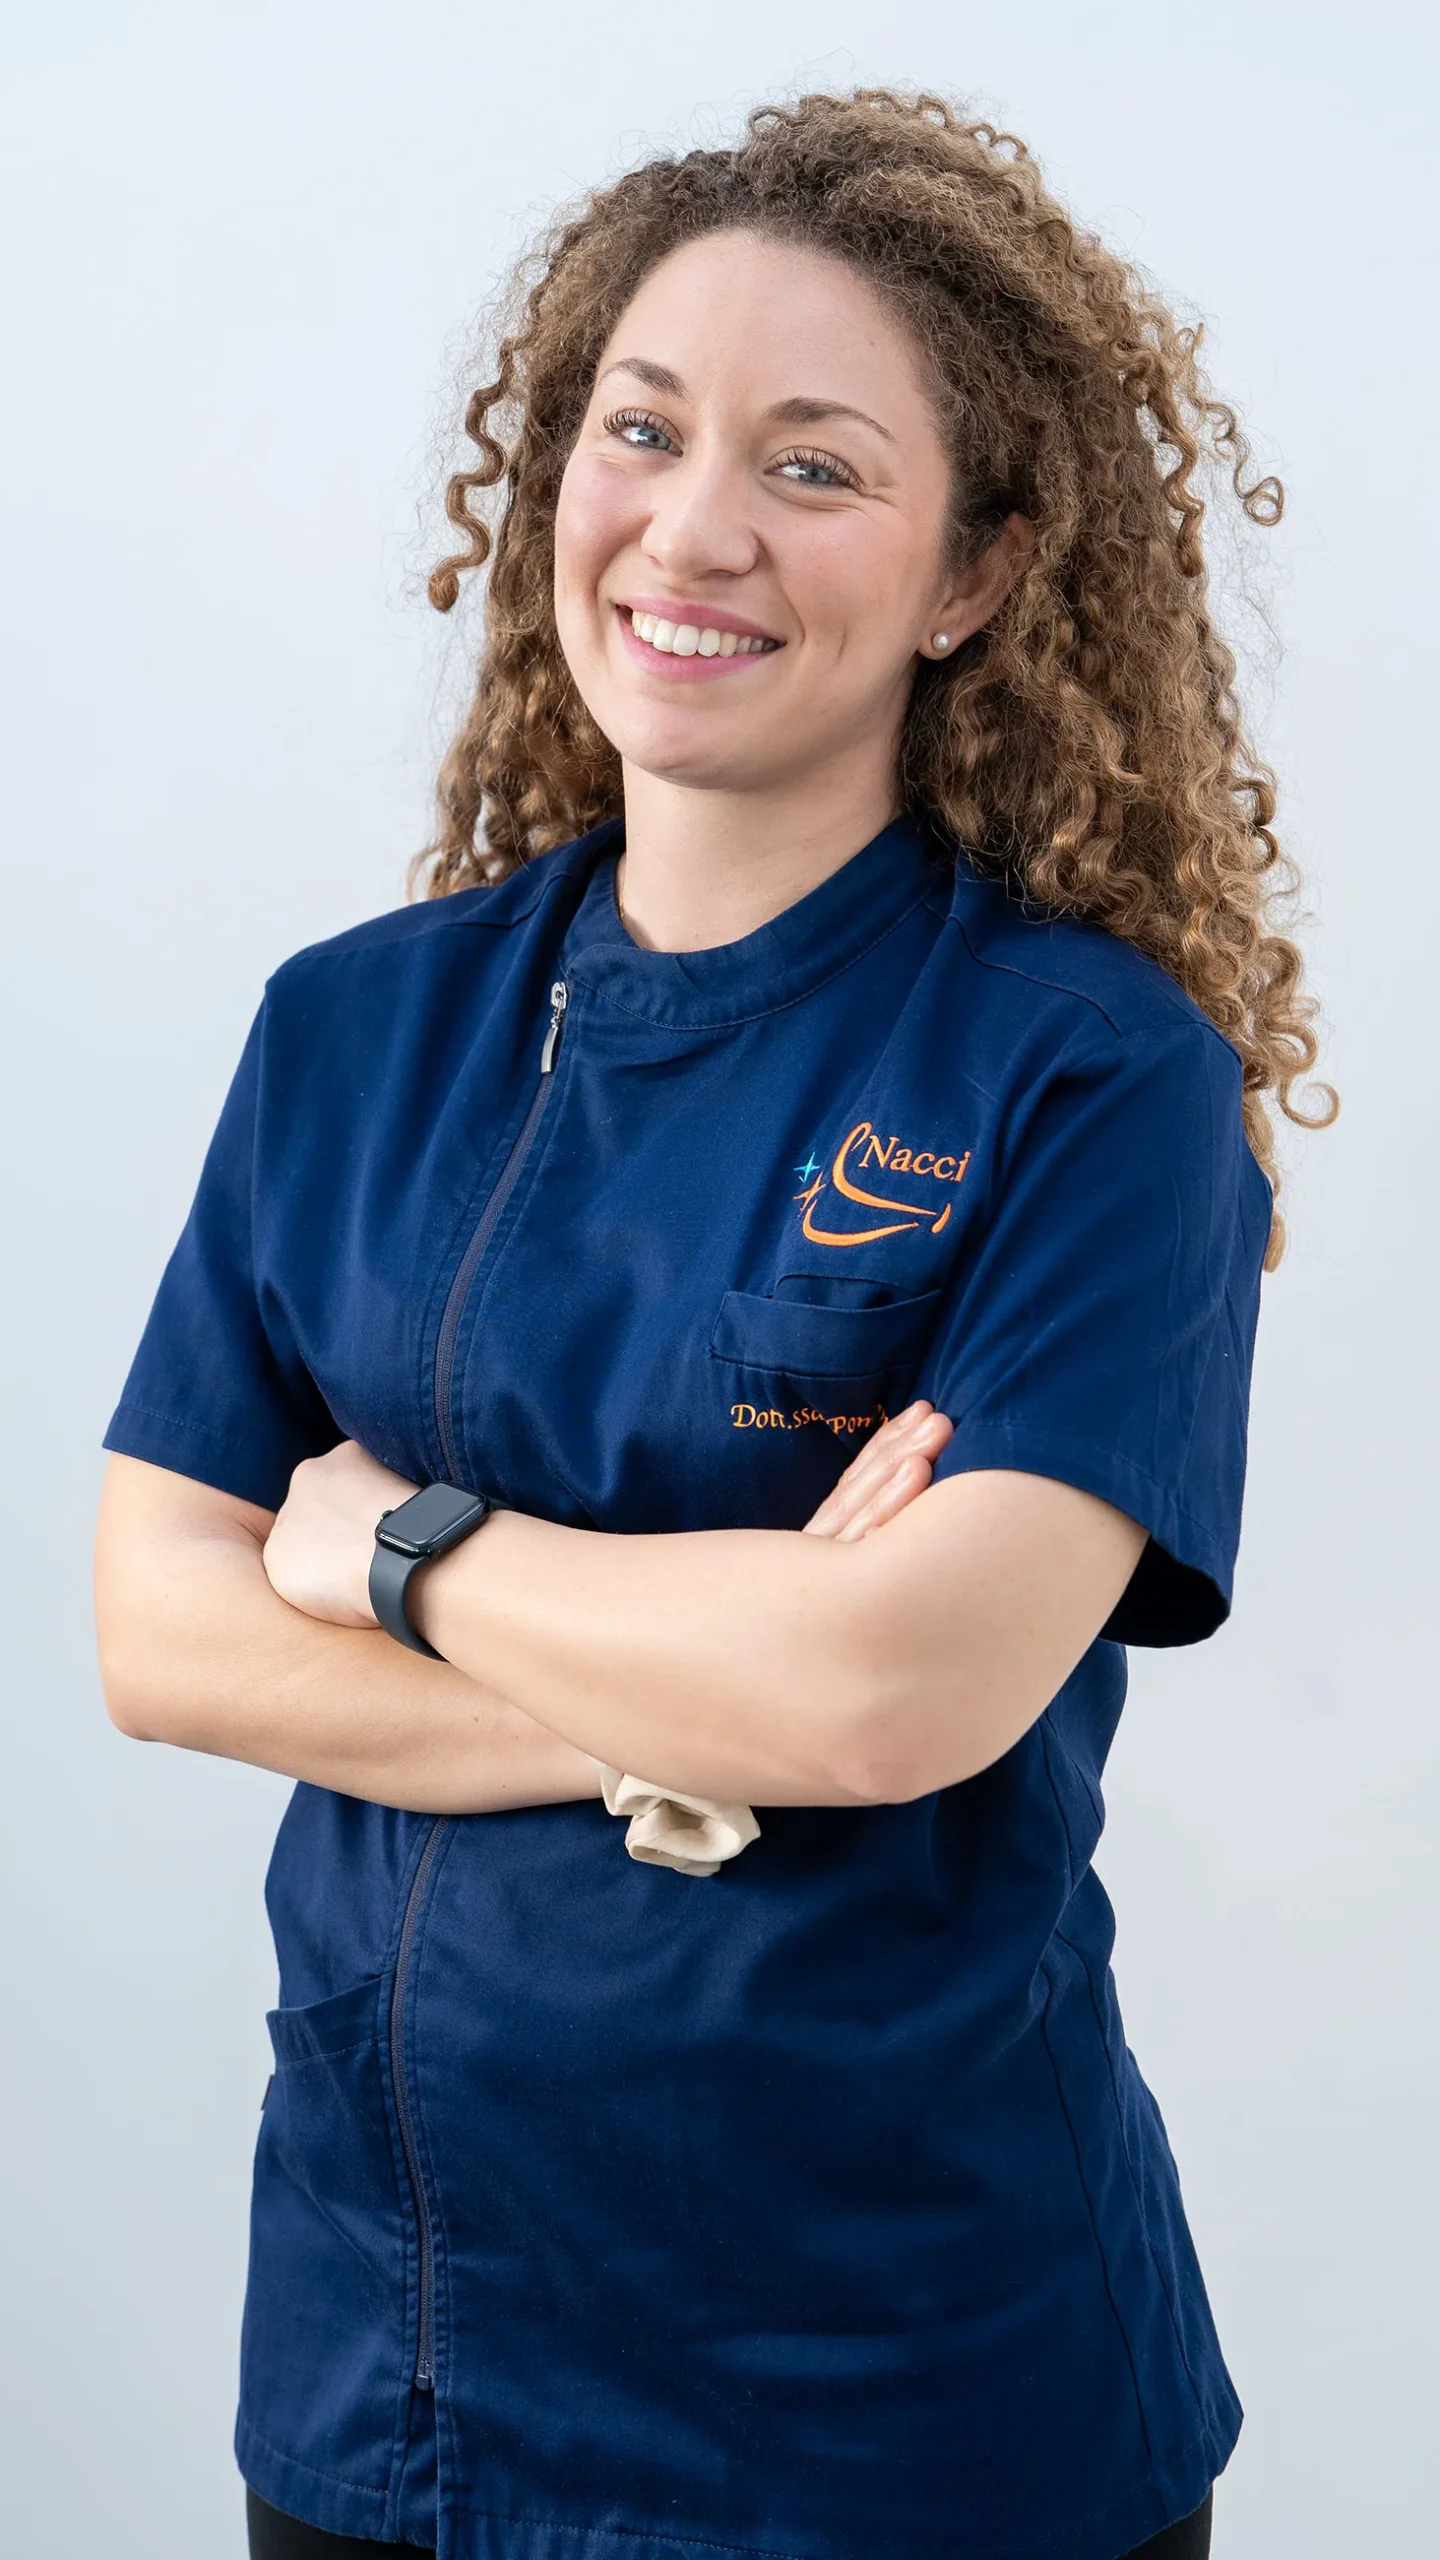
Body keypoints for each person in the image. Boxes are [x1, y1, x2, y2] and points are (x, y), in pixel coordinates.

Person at [93, 86, 1333, 2560]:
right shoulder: (352, 1029)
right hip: (393, 2371)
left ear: (978, 570)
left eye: (816, 464)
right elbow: (161, 1631)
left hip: (911, 2409)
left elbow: (893, 1696)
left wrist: (392, 1547)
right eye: (642, 430)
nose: (694, 527)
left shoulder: (1096, 1077)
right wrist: (695, 1699)